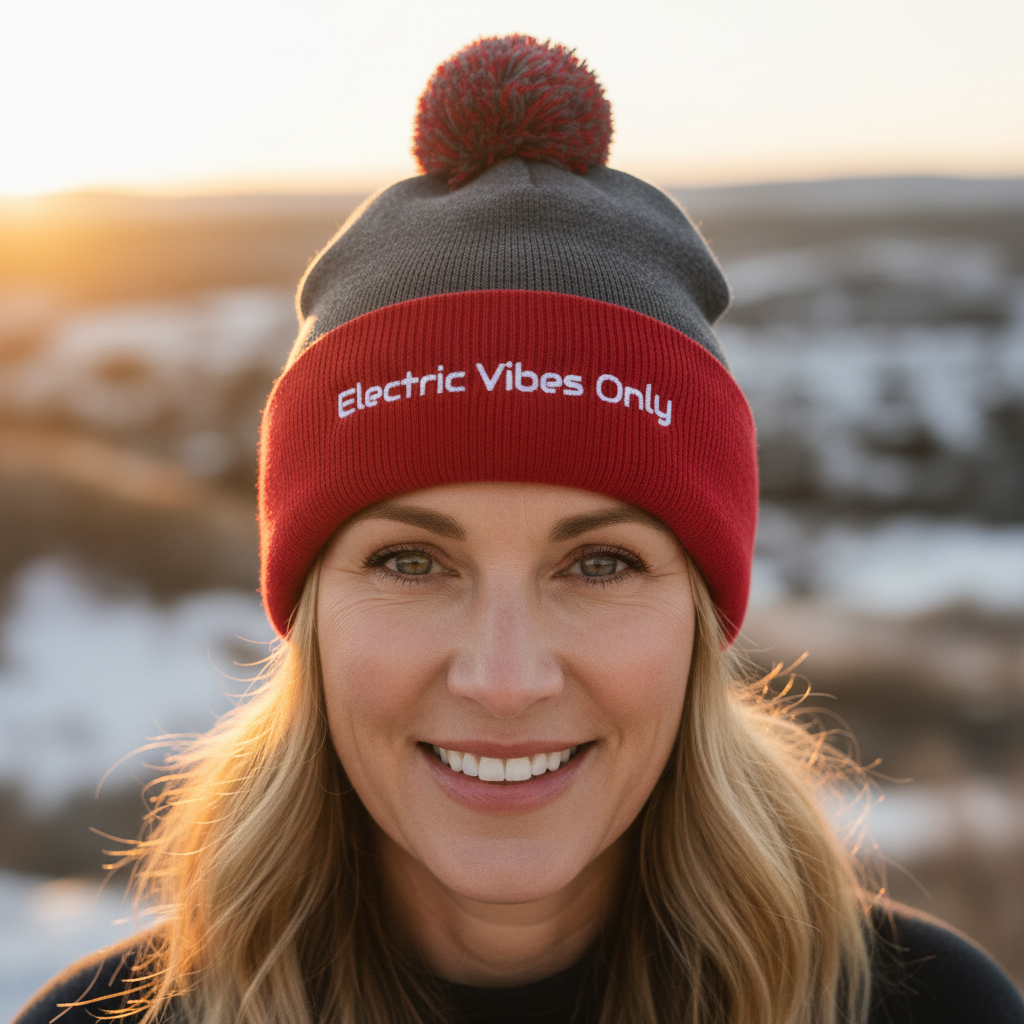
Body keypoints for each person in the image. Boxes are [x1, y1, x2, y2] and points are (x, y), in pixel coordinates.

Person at [14, 35, 1024, 1024]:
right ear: (309, 614)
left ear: (699, 616)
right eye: (411, 561)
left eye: (599, 563)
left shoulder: (924, 1007)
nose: (504, 680)